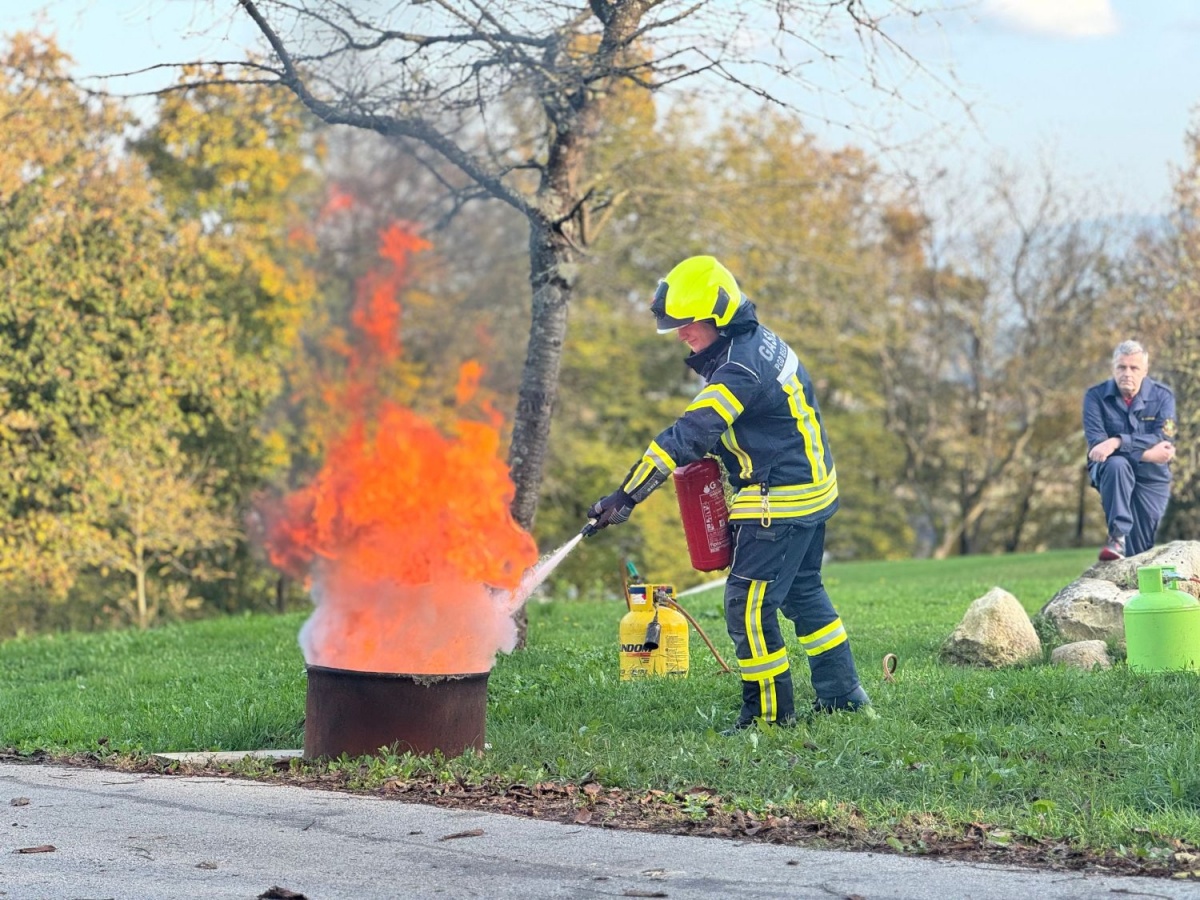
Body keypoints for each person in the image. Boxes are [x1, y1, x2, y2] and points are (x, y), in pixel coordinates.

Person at [583, 255, 869, 732]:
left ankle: (769, 720)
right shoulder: (758, 342)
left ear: (716, 316)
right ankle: (844, 697)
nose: (679, 333)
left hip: (778, 502)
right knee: (804, 592)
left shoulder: (740, 370)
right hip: (813, 491)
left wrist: (625, 495)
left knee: (747, 607)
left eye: (686, 323)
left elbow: (687, 434)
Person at [1083, 339, 1176, 561]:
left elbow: (1161, 438)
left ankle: (1132, 580)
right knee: (1116, 464)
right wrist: (1148, 453)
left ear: (1145, 370)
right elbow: (1098, 447)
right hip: (1112, 471)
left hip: (1151, 476)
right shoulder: (1095, 397)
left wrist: (1116, 442)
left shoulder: (1163, 396)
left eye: (1134, 368)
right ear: (1113, 368)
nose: (1127, 373)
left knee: (1141, 551)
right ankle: (1117, 537)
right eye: (1121, 367)